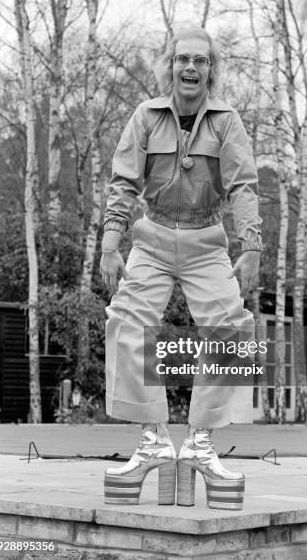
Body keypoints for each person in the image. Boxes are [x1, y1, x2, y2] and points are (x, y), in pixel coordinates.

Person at [100, 26, 263, 510]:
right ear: (169, 65)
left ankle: (199, 444)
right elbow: (123, 181)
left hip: (207, 240)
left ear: (212, 70)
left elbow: (243, 187)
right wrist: (111, 242)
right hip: (150, 238)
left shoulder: (227, 121)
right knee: (125, 323)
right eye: (182, 59)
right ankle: (151, 440)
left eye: (201, 61)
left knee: (234, 329)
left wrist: (250, 245)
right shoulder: (145, 117)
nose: (191, 68)